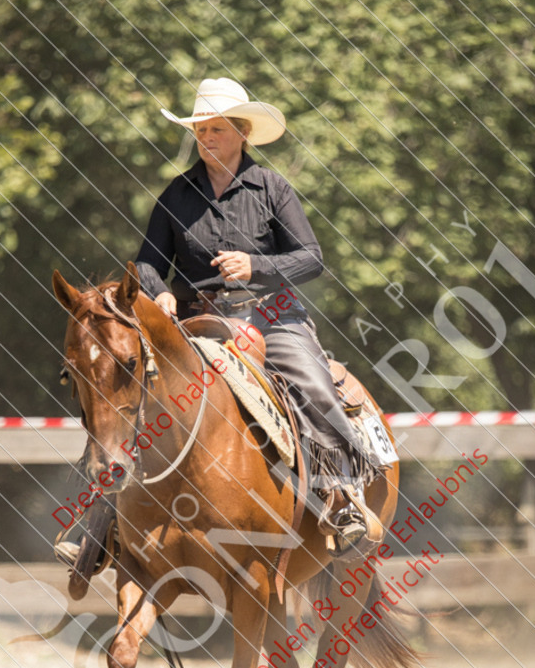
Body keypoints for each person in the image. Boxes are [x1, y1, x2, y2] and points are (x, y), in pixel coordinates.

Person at [135, 77, 382, 553]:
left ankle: (343, 496)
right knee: (132, 391)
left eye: (217, 130)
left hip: (272, 318)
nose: (206, 139)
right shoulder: (175, 195)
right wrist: (157, 292)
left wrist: (257, 266)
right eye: (200, 130)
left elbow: (312, 257)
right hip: (195, 324)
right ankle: (101, 519)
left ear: (242, 132)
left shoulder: (272, 188)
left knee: (312, 381)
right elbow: (148, 260)